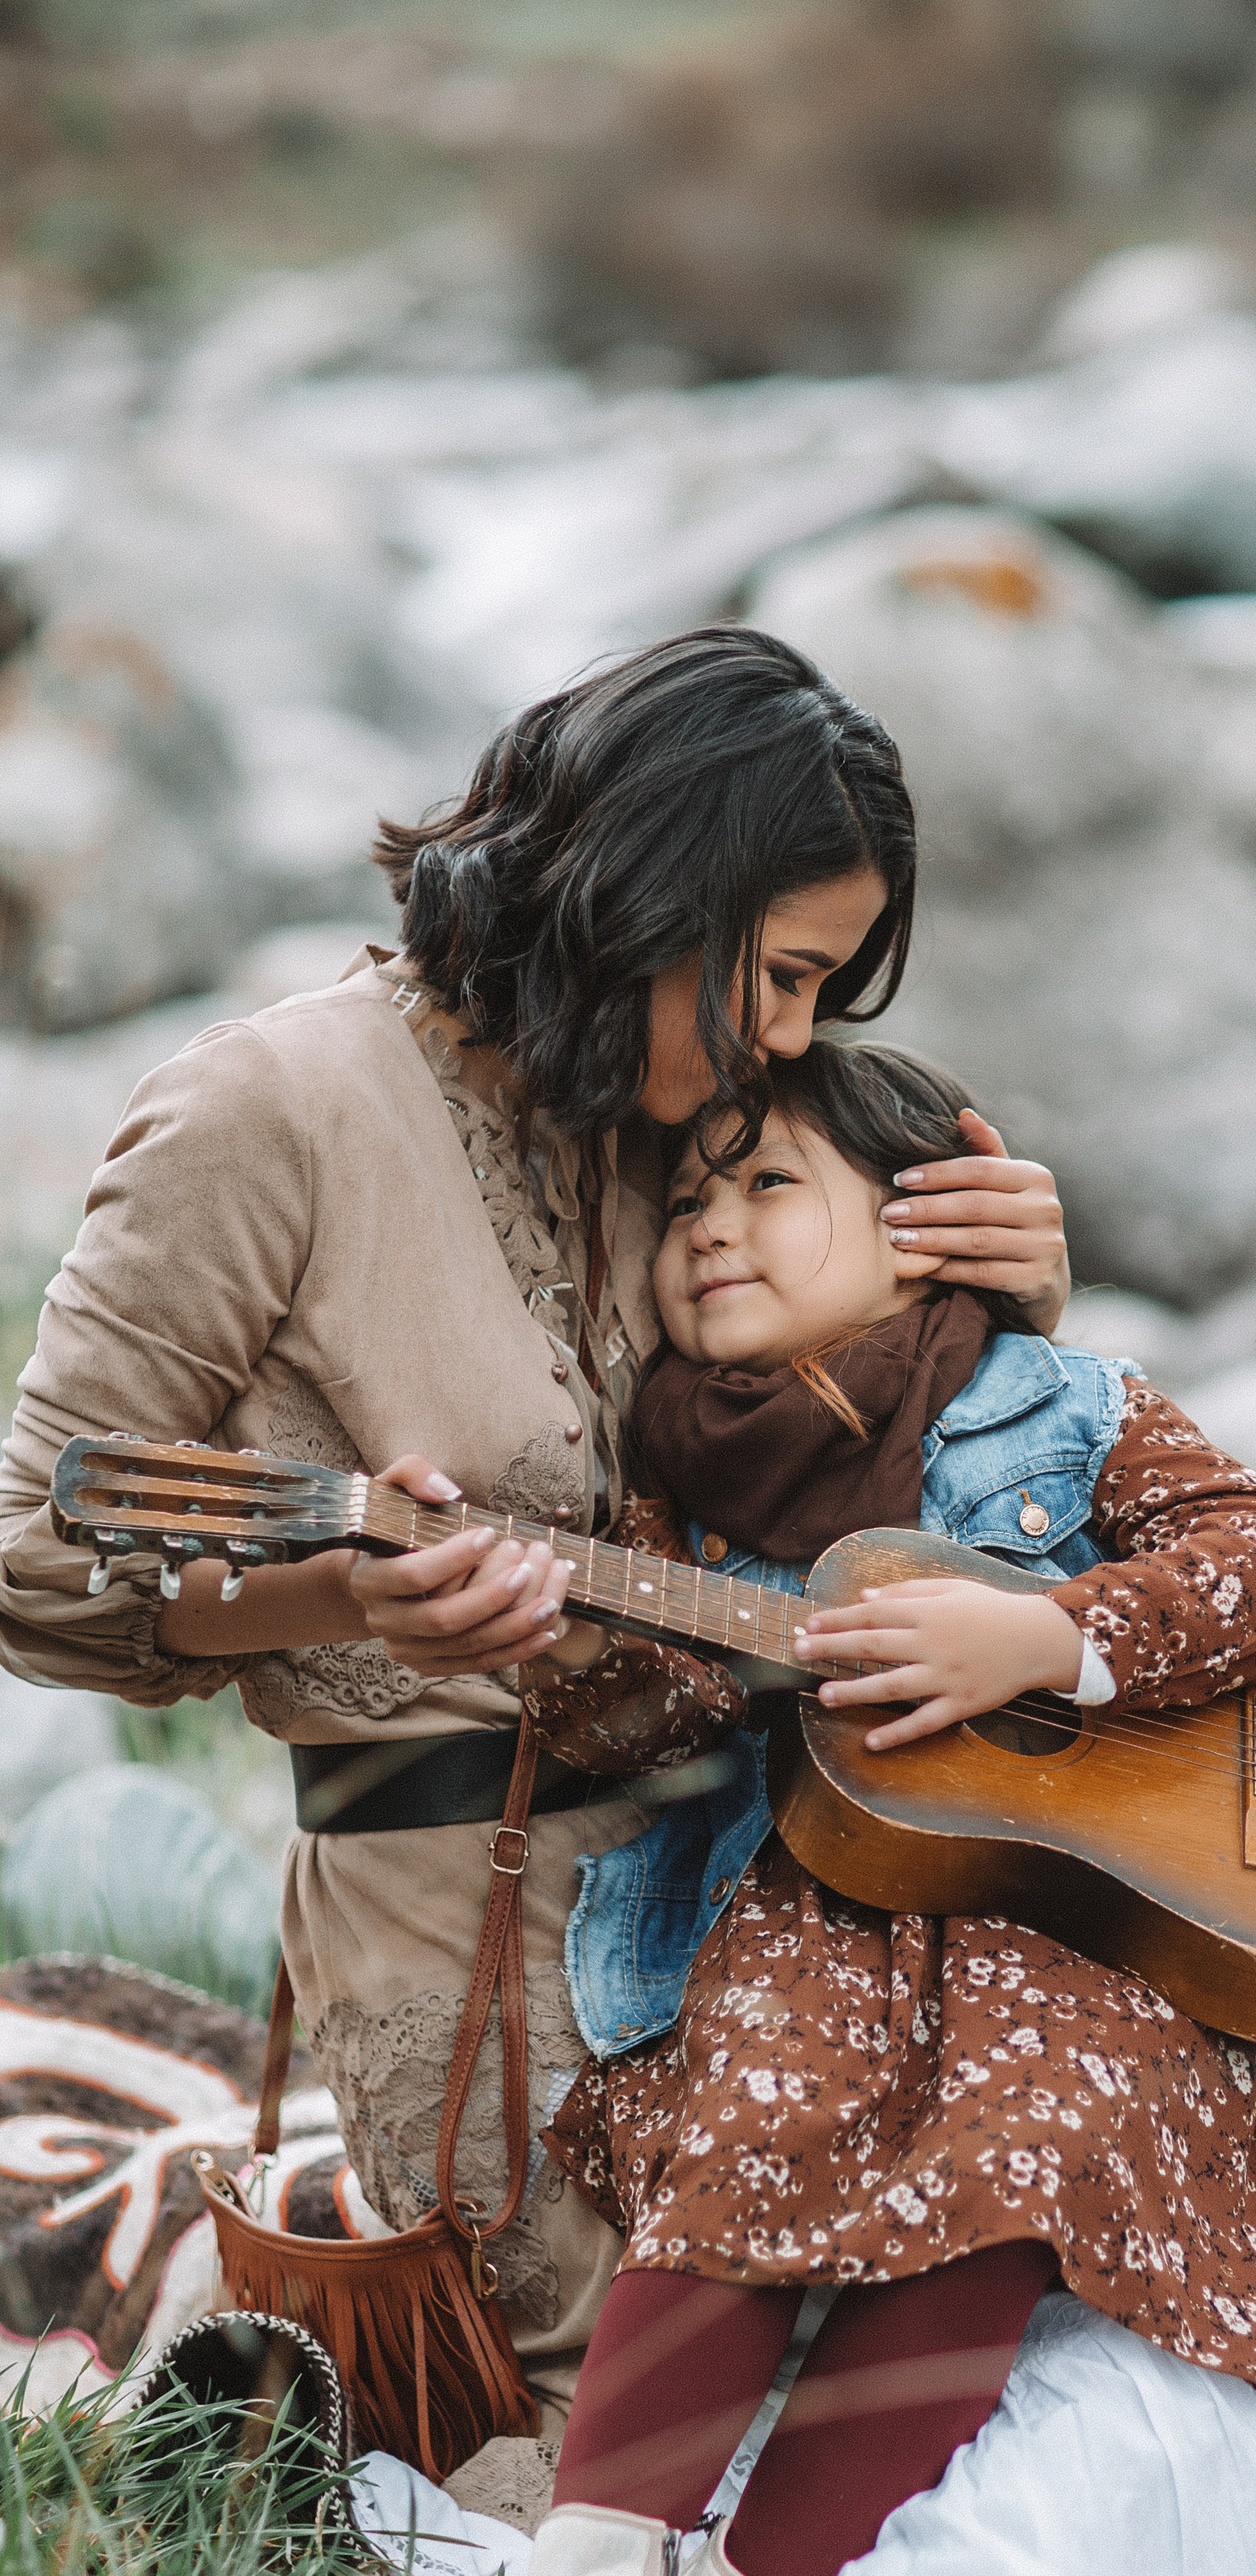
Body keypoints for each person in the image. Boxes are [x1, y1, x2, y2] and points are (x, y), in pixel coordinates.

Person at [0, 628, 1070, 2434]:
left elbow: (866, 1468)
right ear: (650, 893)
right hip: (461, 1917)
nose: (796, 1038)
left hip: (774, 1853)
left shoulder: (671, 1111)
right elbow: (33, 1561)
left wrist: (1006, 1297)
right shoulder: (265, 1110)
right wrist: (344, 1598)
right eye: (785, 976)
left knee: (1017, 2316)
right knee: (653, 2445)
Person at [437, 1036, 1256, 2576]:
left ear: (922, 1225)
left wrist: (1047, 1641)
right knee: (755, 2107)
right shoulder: (666, 1493)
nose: (710, 1226)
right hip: (809, 1930)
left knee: (1022, 2169)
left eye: (769, 1184)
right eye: (683, 1201)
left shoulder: (1059, 1405)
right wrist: (559, 1635)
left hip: (1082, 1939)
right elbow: (603, 1725)